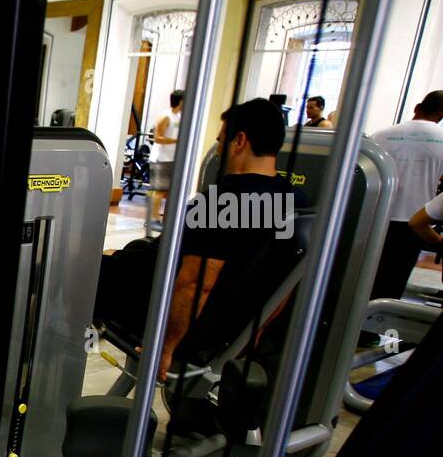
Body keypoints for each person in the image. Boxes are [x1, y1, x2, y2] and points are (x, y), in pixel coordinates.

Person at [95, 97, 308, 380]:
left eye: (221, 140)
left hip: (180, 319)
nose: (219, 149)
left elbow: (196, 285)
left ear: (240, 141)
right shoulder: (294, 200)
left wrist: (165, 347)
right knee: (118, 254)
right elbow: (286, 280)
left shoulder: (220, 203)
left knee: (75, 274)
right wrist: (253, 334)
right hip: (230, 326)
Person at [369, 90, 443, 300]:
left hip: (376, 215)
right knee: (394, 280)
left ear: (417, 108)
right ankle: (379, 325)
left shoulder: (380, 135)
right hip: (414, 221)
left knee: (365, 274)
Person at [147, 90, 184, 227]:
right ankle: (152, 219)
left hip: (171, 158)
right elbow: (157, 137)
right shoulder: (165, 116)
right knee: (159, 190)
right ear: (180, 101)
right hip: (161, 158)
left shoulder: (178, 116)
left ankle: (161, 218)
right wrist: (176, 141)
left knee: (168, 191)